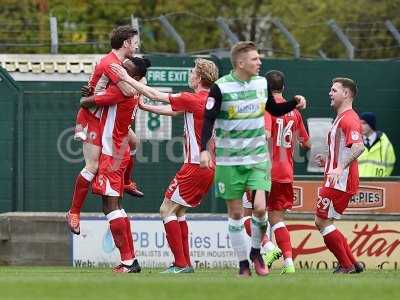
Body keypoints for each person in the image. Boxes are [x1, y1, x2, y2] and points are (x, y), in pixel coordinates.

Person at [199, 41, 306, 277]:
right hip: (230, 161)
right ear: (241, 63)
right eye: (255, 59)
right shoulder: (221, 87)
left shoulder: (261, 83)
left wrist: (293, 103)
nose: (260, 62)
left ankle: (256, 251)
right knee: (237, 214)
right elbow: (208, 119)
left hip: (257, 159)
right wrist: (204, 149)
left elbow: (274, 109)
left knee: (259, 209)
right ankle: (243, 265)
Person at [110, 58, 219, 273]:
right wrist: (145, 107)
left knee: (165, 209)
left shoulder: (193, 98)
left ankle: (179, 264)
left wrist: (126, 79)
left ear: (199, 77)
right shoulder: (208, 100)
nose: (190, 76)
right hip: (208, 167)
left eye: (192, 73)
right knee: (179, 212)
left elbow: (155, 94)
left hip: (194, 165)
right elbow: (177, 111)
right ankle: (185, 264)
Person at [66, 25, 141, 235]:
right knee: (92, 166)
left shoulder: (117, 63)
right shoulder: (112, 64)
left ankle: (126, 182)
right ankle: (73, 212)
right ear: (126, 43)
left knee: (134, 143)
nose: (136, 46)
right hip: (91, 118)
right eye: (135, 42)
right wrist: (142, 85)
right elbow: (126, 90)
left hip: (108, 119)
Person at [79, 58, 151, 273]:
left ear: (134, 78)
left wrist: (89, 93)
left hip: (113, 154)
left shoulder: (120, 92)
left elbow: (85, 103)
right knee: (115, 207)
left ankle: (129, 262)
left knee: (110, 207)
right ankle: (130, 260)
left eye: (124, 69)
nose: (118, 71)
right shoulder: (130, 88)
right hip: (120, 152)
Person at [262, 70, 311, 274]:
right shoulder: (295, 112)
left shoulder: (267, 108)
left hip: (265, 172)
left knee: (246, 216)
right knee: (277, 220)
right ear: (283, 87)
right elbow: (307, 144)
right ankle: (289, 263)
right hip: (285, 173)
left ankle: (270, 248)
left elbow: (265, 135)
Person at [314, 77, 365, 274]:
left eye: (334, 90)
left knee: (321, 221)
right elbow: (343, 149)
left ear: (346, 94)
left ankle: (346, 265)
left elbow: (359, 147)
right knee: (326, 222)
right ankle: (353, 263)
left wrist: (339, 167)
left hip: (340, 181)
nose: (330, 93)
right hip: (337, 178)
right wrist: (328, 161)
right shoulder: (341, 118)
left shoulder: (350, 118)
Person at [358, 112, 396, 177]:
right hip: (359, 184)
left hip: (378, 184)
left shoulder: (385, 143)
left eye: (364, 123)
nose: (361, 126)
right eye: (359, 123)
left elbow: (390, 164)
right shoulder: (356, 143)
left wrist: (382, 178)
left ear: (371, 125)